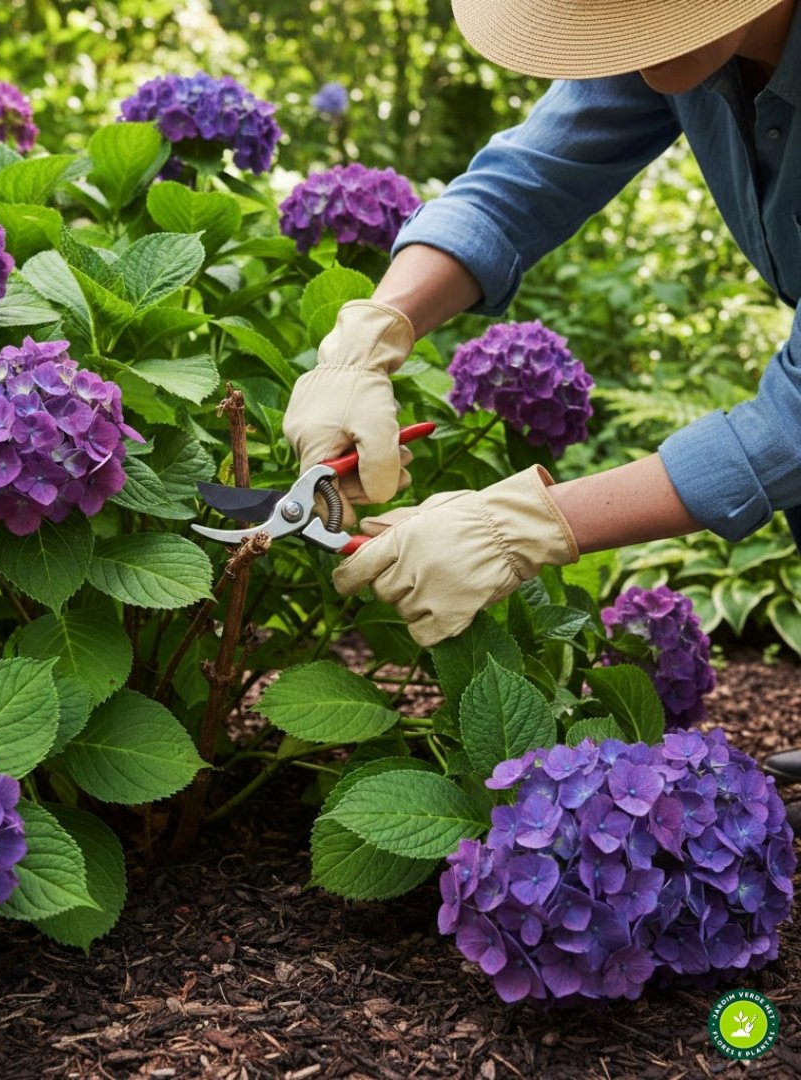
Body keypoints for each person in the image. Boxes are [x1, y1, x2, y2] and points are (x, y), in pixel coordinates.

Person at [282, 0, 801, 797]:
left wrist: (527, 525)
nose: (626, 32)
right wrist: (366, 338)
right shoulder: (680, 37)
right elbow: (519, 184)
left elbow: (791, 426)